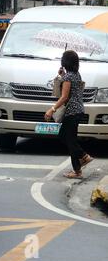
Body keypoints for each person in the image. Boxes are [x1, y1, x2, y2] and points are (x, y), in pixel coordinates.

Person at [44, 50, 93, 179]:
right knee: (68, 139)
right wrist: (63, 75)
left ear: (65, 61)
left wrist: (52, 109)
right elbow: (71, 89)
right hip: (78, 110)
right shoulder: (76, 74)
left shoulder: (68, 77)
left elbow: (64, 97)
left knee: (67, 139)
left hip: (72, 112)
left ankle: (83, 158)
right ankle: (79, 167)